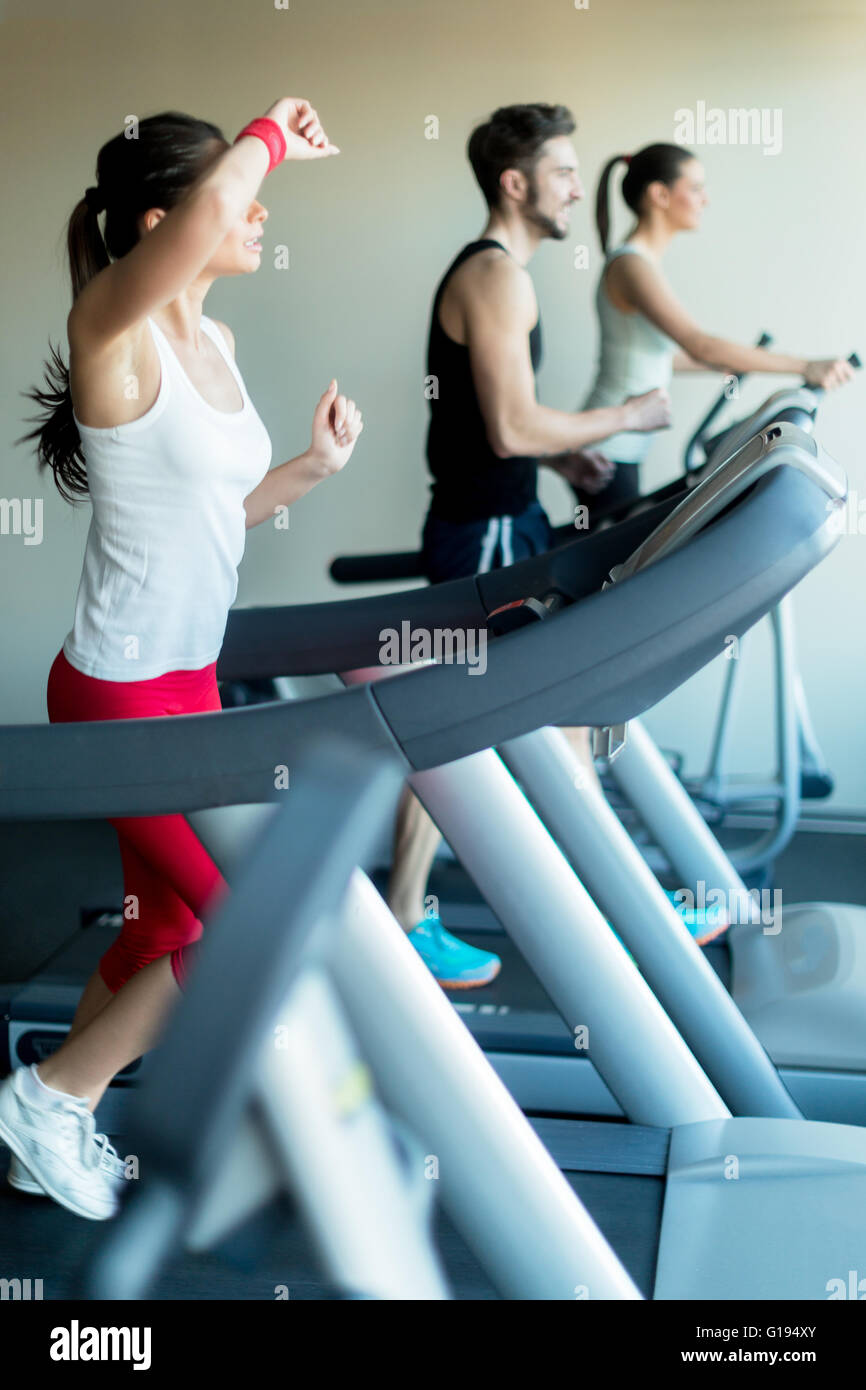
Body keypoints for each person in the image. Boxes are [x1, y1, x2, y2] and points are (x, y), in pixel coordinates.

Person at [0, 99, 361, 1220]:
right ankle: (50, 1094)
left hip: (187, 679)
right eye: (237, 200)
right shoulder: (111, 325)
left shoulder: (218, 344)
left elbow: (208, 518)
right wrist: (264, 129)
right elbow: (217, 195)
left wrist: (307, 470)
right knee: (259, 917)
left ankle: (52, 1116)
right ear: (166, 222)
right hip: (117, 686)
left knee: (169, 928)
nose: (254, 215)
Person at [388, 105, 671, 989]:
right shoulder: (497, 276)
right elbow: (507, 428)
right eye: (562, 171)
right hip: (485, 531)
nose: (579, 187)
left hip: (503, 520)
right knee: (460, 722)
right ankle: (409, 917)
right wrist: (624, 416)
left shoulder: (503, 275)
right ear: (515, 184)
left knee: (555, 707)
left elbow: (501, 425)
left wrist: (567, 454)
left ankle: (605, 905)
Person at [577, 142, 855, 512]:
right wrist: (806, 366)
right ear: (659, 194)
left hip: (617, 443)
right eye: (695, 188)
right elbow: (700, 344)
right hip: (607, 449)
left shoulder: (639, 263)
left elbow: (661, 357)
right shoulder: (633, 267)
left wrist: (725, 364)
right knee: (616, 564)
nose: (705, 199)